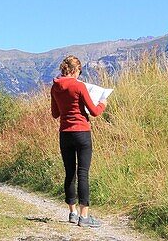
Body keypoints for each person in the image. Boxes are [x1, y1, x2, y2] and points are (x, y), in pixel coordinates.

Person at [50, 55, 106, 228]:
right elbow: (95, 111)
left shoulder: (55, 87)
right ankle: (84, 217)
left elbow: (55, 114)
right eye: (79, 71)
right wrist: (103, 103)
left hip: (65, 133)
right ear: (75, 70)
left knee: (69, 173)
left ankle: (72, 213)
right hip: (82, 132)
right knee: (83, 173)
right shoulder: (79, 86)